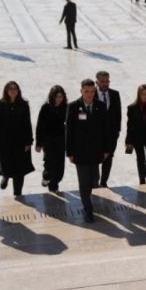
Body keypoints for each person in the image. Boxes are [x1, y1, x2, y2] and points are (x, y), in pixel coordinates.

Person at [66, 79, 110, 222]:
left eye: (92, 91)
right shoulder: (73, 107)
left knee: (94, 180)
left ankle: (88, 199)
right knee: (84, 182)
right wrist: (70, 152)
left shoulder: (101, 106)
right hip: (80, 152)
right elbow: (69, 130)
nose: (89, 94)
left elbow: (106, 129)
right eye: (86, 91)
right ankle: (88, 209)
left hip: (96, 151)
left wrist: (106, 149)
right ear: (81, 91)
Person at [0, 81, 34, 197]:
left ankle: (18, 192)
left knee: (20, 168)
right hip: (4, 141)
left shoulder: (24, 104)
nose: (13, 91)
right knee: (6, 163)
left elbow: (27, 123)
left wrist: (29, 141)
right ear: (6, 91)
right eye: (10, 89)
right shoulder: (0, 104)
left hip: (20, 140)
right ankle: (6, 176)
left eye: (15, 89)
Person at [35, 85, 67, 192]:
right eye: (57, 96)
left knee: (60, 164)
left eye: (61, 96)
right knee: (50, 161)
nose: (59, 99)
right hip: (48, 140)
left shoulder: (66, 108)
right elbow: (39, 126)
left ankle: (54, 181)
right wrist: (38, 143)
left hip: (61, 140)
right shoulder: (46, 108)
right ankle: (51, 183)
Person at [95, 71, 122, 188]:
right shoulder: (91, 94)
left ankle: (103, 181)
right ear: (97, 82)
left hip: (111, 134)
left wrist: (117, 131)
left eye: (107, 81)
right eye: (102, 81)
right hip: (96, 134)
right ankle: (94, 181)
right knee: (95, 158)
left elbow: (118, 114)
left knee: (109, 158)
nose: (105, 84)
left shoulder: (115, 94)